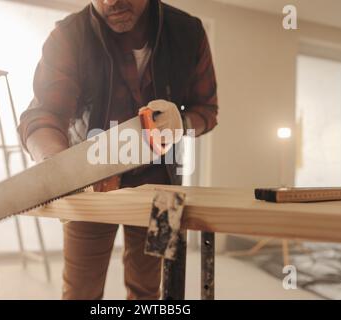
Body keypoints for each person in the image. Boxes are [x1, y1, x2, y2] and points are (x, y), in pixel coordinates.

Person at [18, 0, 218, 300]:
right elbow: (44, 115)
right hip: (87, 185)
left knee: (148, 291)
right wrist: (56, 167)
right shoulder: (69, 35)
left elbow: (208, 111)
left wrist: (183, 120)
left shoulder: (189, 33)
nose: (110, 1)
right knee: (80, 292)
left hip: (164, 189)